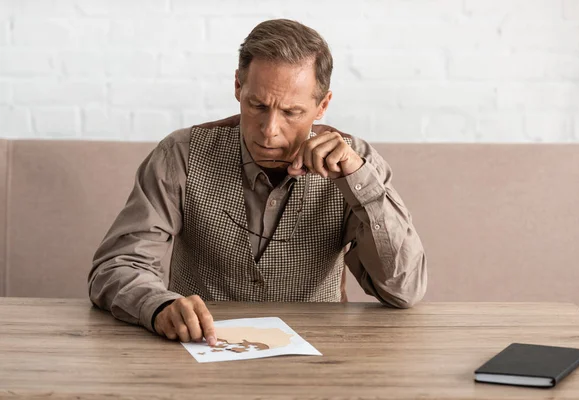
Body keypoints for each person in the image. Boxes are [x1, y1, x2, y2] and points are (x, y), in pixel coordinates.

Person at [88, 19, 427, 345]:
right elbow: (117, 265)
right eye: (258, 105)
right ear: (238, 86)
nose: (269, 130)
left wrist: (358, 182)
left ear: (322, 105)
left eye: (291, 112)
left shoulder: (358, 163)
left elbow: (403, 290)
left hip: (321, 356)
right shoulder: (180, 155)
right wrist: (158, 306)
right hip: (201, 349)